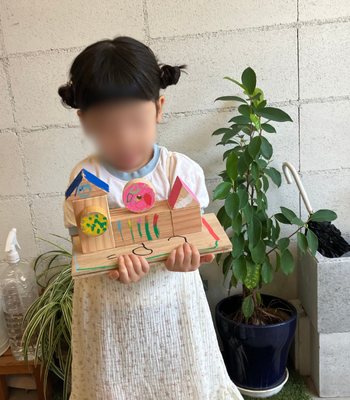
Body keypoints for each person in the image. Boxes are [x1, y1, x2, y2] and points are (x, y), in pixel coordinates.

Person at [60, 36, 243, 400]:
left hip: (173, 309)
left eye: (136, 121)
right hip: (108, 316)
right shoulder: (85, 180)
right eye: (106, 127)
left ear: (158, 108)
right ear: (85, 122)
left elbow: (198, 240)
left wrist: (194, 258)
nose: (125, 139)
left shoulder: (180, 173)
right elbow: (85, 246)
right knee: (114, 387)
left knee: (182, 384)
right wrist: (110, 268)